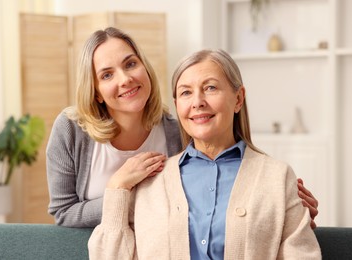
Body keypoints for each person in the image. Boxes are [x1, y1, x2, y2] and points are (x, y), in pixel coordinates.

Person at [46, 27, 318, 228]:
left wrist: (284, 208)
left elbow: (212, 192)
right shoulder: (71, 130)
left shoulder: (179, 132)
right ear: (96, 92)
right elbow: (64, 213)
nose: (126, 78)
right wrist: (120, 188)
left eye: (131, 64)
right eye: (107, 74)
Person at [88, 49, 321, 259]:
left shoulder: (277, 177)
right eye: (186, 93)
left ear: (238, 99)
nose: (197, 102)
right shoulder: (150, 182)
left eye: (210, 88)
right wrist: (116, 190)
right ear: (177, 105)